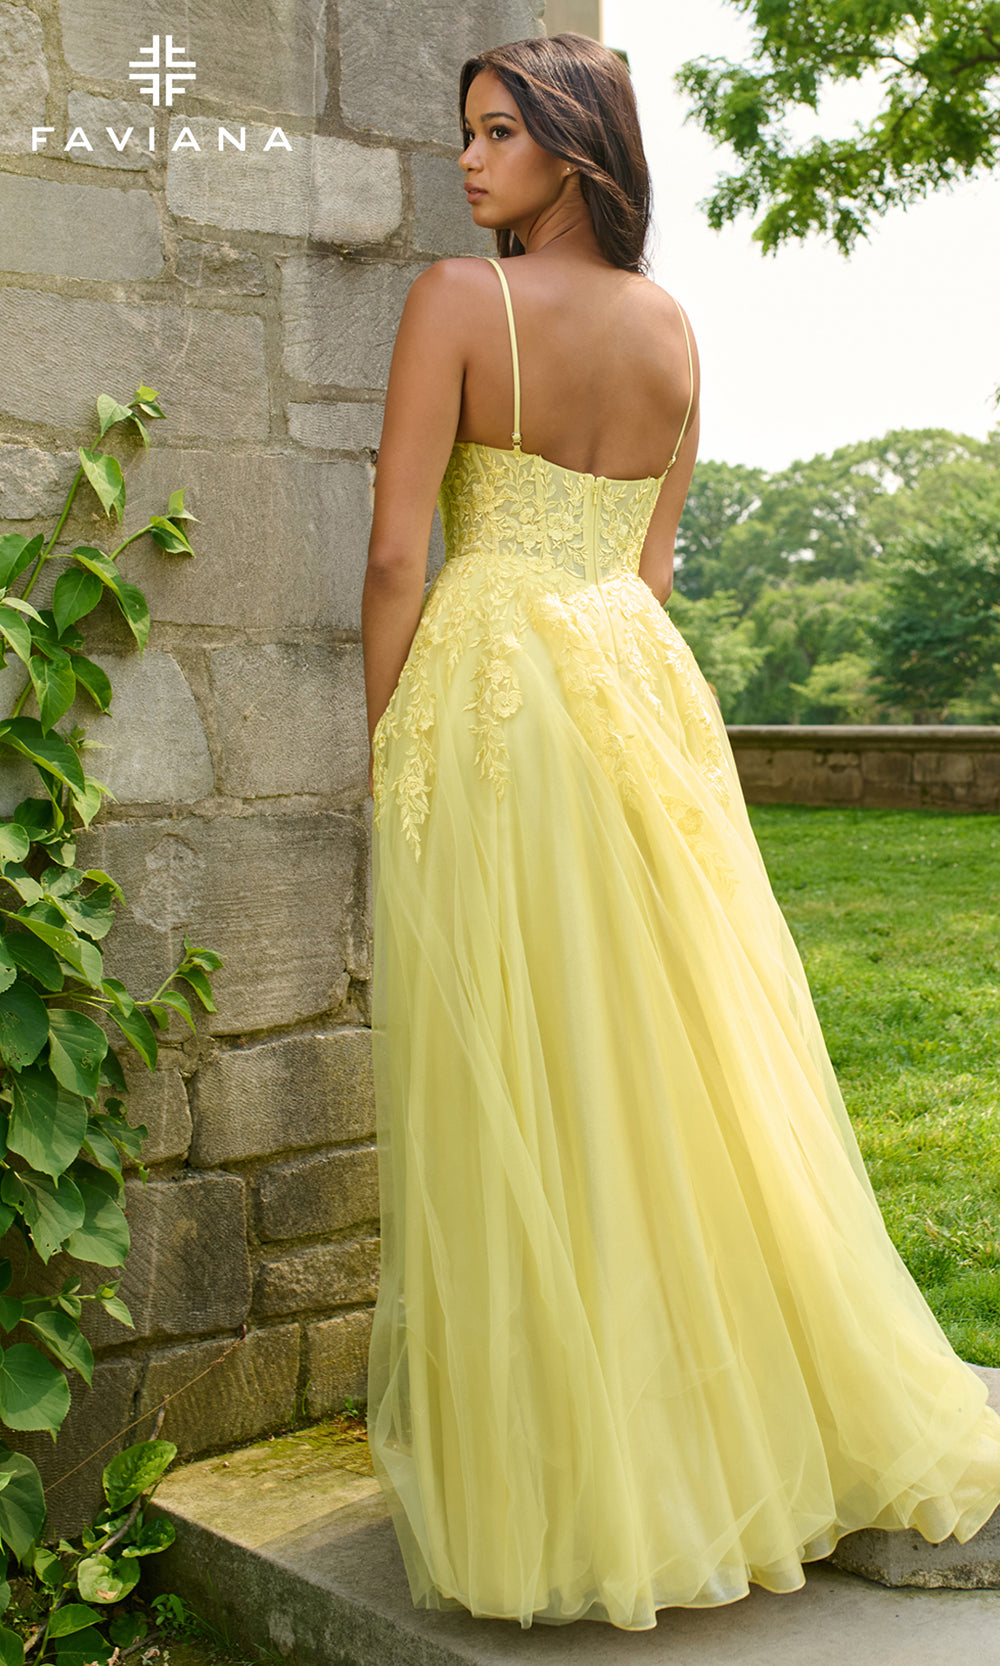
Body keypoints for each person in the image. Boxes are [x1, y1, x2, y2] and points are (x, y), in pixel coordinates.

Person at [360, 32, 1000, 1633]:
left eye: (497, 132)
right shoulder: (675, 333)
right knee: (668, 1066)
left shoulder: (457, 301)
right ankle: (705, 1434)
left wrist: (387, 746)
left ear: (575, 146)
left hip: (494, 692)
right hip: (640, 692)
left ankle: (562, 1474)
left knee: (525, 1072)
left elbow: (394, 559)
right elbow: (651, 571)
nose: (469, 158)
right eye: (466, 132)